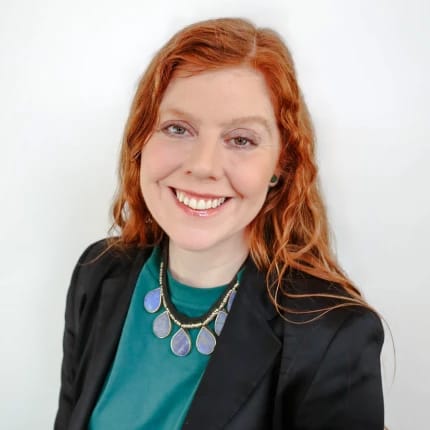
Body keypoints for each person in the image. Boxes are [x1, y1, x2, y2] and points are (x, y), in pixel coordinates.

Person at [55, 17, 384, 430]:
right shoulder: (98, 273)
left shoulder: (334, 336)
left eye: (241, 139)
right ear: (141, 140)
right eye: (178, 128)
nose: (203, 165)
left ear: (280, 166)